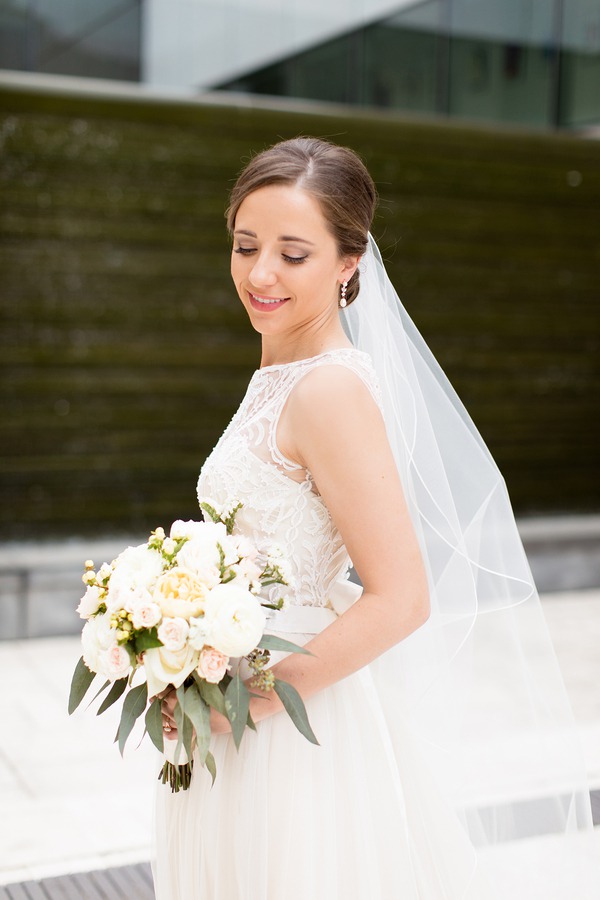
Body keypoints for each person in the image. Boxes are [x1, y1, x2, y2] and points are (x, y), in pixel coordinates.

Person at [153, 138, 594, 899]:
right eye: (245, 245)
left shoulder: (328, 391)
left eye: (293, 254)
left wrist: (247, 698)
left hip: (289, 724)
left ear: (348, 263)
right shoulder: (281, 369)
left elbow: (402, 598)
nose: (260, 274)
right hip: (243, 701)